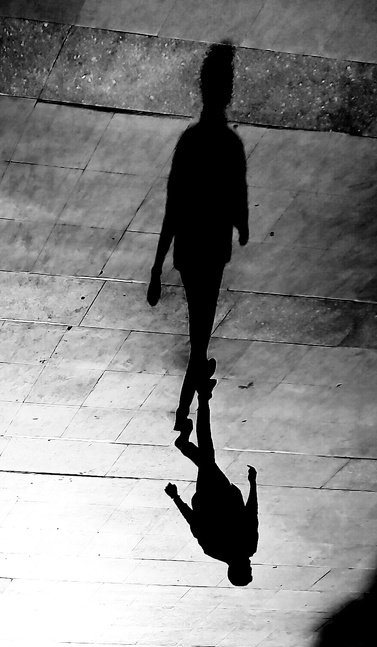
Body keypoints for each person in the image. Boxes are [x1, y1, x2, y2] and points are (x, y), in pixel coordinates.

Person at [146, 42, 248, 430]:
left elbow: (174, 205)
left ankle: (198, 383)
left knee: (200, 326)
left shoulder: (190, 142)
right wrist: (241, 224)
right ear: (227, 92)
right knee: (200, 331)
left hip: (190, 249)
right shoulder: (230, 144)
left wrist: (157, 268)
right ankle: (184, 411)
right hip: (213, 249)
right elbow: (237, 191)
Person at [165, 374, 258, 585]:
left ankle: (204, 396)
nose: (250, 565)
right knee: (206, 456)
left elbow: (251, 513)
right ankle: (184, 442)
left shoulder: (239, 547)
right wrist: (176, 498)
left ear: (239, 569)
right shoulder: (218, 550)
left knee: (207, 453)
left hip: (216, 495)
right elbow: (194, 522)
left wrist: (253, 485)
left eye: (248, 570)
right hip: (214, 496)